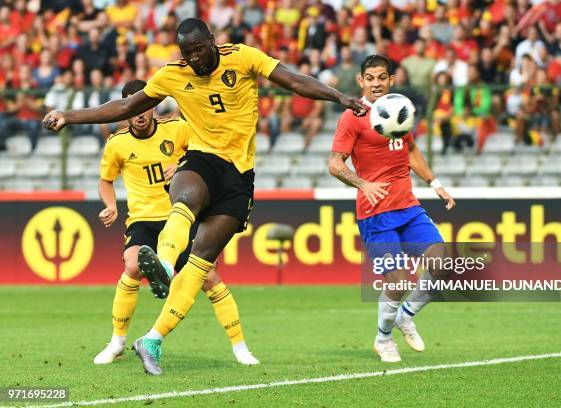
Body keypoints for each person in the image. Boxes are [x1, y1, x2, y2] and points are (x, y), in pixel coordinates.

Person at [43, 18, 364, 375]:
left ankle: (152, 339)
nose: (194, 58)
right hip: (201, 158)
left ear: (211, 40)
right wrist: (67, 116)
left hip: (239, 175)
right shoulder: (172, 75)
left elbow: (293, 80)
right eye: (187, 52)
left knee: (199, 265)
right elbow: (124, 107)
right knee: (184, 199)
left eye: (198, 49)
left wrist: (339, 97)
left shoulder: (243, 57)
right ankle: (163, 266)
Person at [94, 79, 259, 366]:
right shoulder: (117, 144)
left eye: (146, 106)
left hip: (179, 217)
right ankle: (117, 341)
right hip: (143, 220)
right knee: (132, 266)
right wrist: (110, 204)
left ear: (154, 105)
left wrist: (185, 161)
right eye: (134, 109)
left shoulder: (177, 128)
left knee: (210, 278)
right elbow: (105, 180)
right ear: (125, 111)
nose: (141, 114)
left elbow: (206, 148)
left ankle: (240, 347)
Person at [328, 55, 455, 363]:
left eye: (381, 77)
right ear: (361, 82)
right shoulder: (352, 117)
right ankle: (383, 338)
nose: (376, 83)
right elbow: (334, 164)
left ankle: (405, 316)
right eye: (370, 78)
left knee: (442, 265)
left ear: (391, 80)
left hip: (409, 207)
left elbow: (409, 148)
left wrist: (434, 182)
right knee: (397, 283)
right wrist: (363, 184)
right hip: (375, 214)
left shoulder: (399, 108)